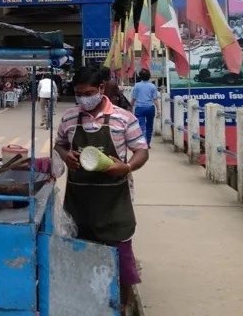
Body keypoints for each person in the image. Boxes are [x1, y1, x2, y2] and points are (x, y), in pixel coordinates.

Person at [54, 66, 149, 316]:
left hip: (113, 202)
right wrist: (66, 156)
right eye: (78, 93)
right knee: (81, 255)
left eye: (88, 93)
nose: (83, 98)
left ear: (101, 89)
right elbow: (60, 144)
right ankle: (85, 303)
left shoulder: (124, 118)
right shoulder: (70, 118)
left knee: (122, 260)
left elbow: (142, 150)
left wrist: (126, 166)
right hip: (79, 201)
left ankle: (121, 307)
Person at [131, 69, 159, 148]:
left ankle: (143, 143)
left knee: (141, 126)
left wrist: (130, 106)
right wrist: (159, 109)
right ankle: (148, 143)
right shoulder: (152, 86)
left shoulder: (137, 85)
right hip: (150, 108)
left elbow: (134, 98)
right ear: (149, 76)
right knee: (150, 126)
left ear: (140, 76)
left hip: (139, 108)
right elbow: (155, 99)